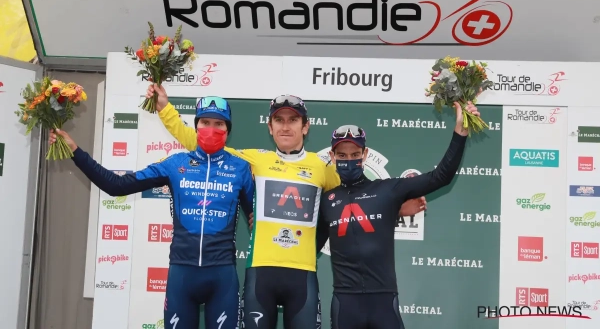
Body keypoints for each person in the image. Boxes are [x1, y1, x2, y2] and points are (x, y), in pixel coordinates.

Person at [145, 85, 424, 329]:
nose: (286, 126)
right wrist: (165, 109)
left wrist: (395, 208)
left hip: (303, 275)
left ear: (305, 127)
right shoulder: (254, 160)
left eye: (293, 120)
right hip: (260, 274)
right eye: (279, 120)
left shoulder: (321, 167)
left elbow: (355, 196)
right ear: (270, 127)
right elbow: (198, 141)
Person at [49, 97, 255, 329]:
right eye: (205, 122)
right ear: (196, 126)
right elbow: (117, 185)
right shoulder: (175, 164)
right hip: (182, 276)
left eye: (219, 124)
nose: (211, 129)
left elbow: (257, 220)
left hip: (222, 277)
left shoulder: (240, 168)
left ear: (228, 130)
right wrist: (75, 152)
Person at [316, 101, 479, 329]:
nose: (349, 160)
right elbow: (309, 250)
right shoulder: (326, 200)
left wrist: (460, 133)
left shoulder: (388, 190)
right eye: (342, 155)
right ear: (332, 157)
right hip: (345, 302)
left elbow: (441, 177)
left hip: (383, 300)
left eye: (355, 154)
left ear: (365, 154)